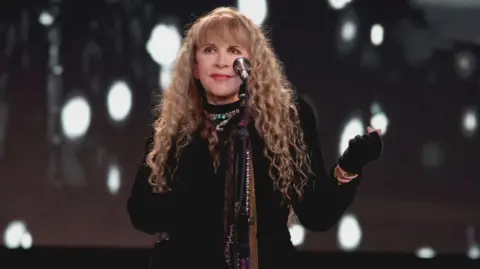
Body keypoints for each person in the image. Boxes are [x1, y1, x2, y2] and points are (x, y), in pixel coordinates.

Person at [127, 6, 383, 269]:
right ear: (194, 66)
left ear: (253, 62)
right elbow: (143, 214)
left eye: (234, 51)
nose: (222, 62)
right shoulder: (175, 125)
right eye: (210, 50)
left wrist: (350, 166)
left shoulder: (287, 119)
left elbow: (316, 214)